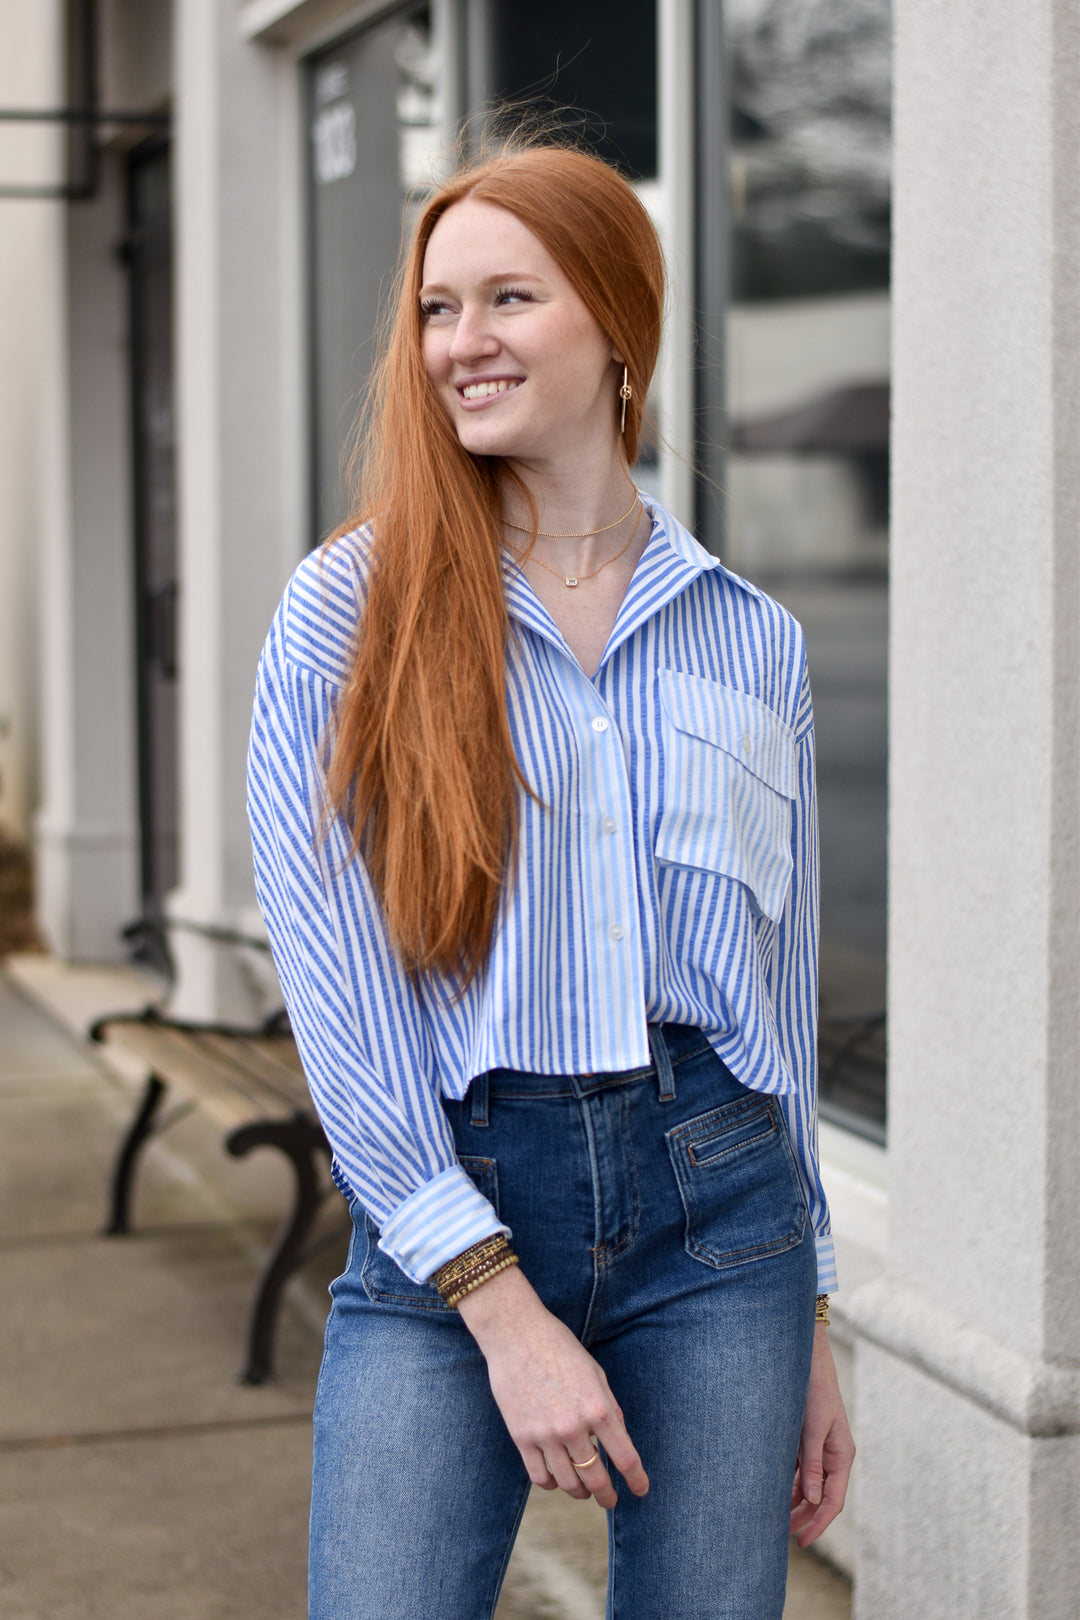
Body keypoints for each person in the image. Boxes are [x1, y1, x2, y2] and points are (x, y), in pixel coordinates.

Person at [248, 139, 854, 1620]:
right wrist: (499, 1306)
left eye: (508, 297)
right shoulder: (350, 610)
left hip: (727, 1220)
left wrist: (815, 1315)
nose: (463, 343)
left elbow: (780, 994)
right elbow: (338, 993)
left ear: (617, 323)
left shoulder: (750, 637)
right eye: (439, 309)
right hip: (449, 1200)